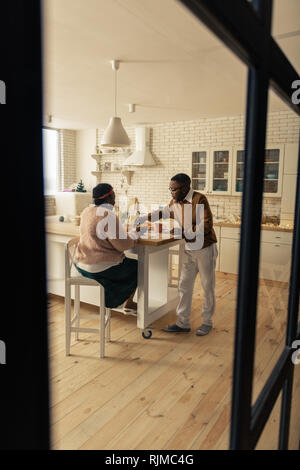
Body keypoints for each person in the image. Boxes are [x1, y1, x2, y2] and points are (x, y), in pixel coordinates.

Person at [136, 173, 218, 335]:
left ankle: (207, 322)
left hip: (205, 249)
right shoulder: (175, 201)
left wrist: (183, 232)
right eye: (170, 189)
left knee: (207, 286)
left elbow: (206, 225)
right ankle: (183, 323)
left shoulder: (199, 199)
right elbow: (163, 212)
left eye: (174, 189)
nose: (172, 192)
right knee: (184, 286)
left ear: (186, 187)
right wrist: (144, 218)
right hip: (188, 249)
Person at [74, 183, 138, 312]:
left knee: (124, 265)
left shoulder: (86, 211)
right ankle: (125, 302)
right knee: (137, 267)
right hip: (99, 268)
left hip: (81, 265)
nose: (115, 201)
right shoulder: (108, 215)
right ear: (108, 199)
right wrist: (134, 235)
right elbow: (122, 246)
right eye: (113, 197)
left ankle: (117, 297)